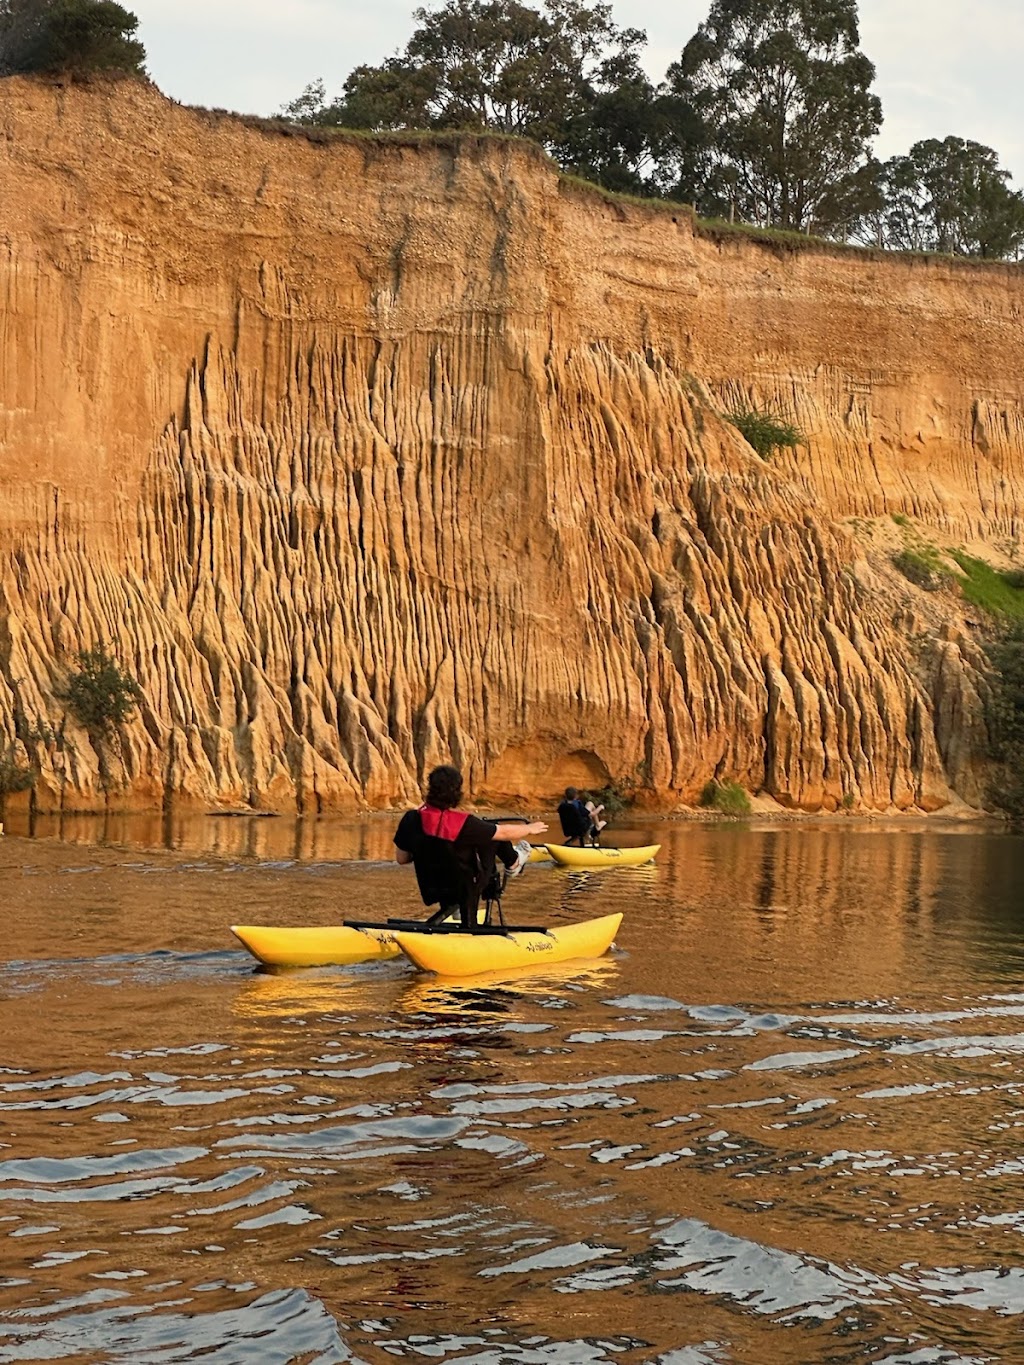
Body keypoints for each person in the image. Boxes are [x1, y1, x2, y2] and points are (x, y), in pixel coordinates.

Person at [394, 764, 548, 930]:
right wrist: (529, 829)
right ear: (456, 792)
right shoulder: (464, 823)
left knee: (488, 832)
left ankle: (455, 908)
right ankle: (514, 862)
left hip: (432, 888)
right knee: (494, 833)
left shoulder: (411, 819)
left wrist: (423, 849)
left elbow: (402, 859)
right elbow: (503, 833)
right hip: (466, 887)